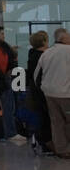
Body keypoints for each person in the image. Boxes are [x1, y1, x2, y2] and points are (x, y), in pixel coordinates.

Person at [33, 27, 70, 158]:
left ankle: (62, 150)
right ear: (63, 39)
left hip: (49, 94)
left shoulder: (47, 53)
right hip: (66, 94)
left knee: (56, 122)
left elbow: (36, 75)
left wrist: (43, 88)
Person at [27, 31, 54, 155]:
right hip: (43, 91)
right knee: (46, 118)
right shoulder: (43, 56)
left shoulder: (32, 55)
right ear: (43, 42)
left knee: (41, 117)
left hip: (35, 92)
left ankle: (41, 140)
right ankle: (46, 143)